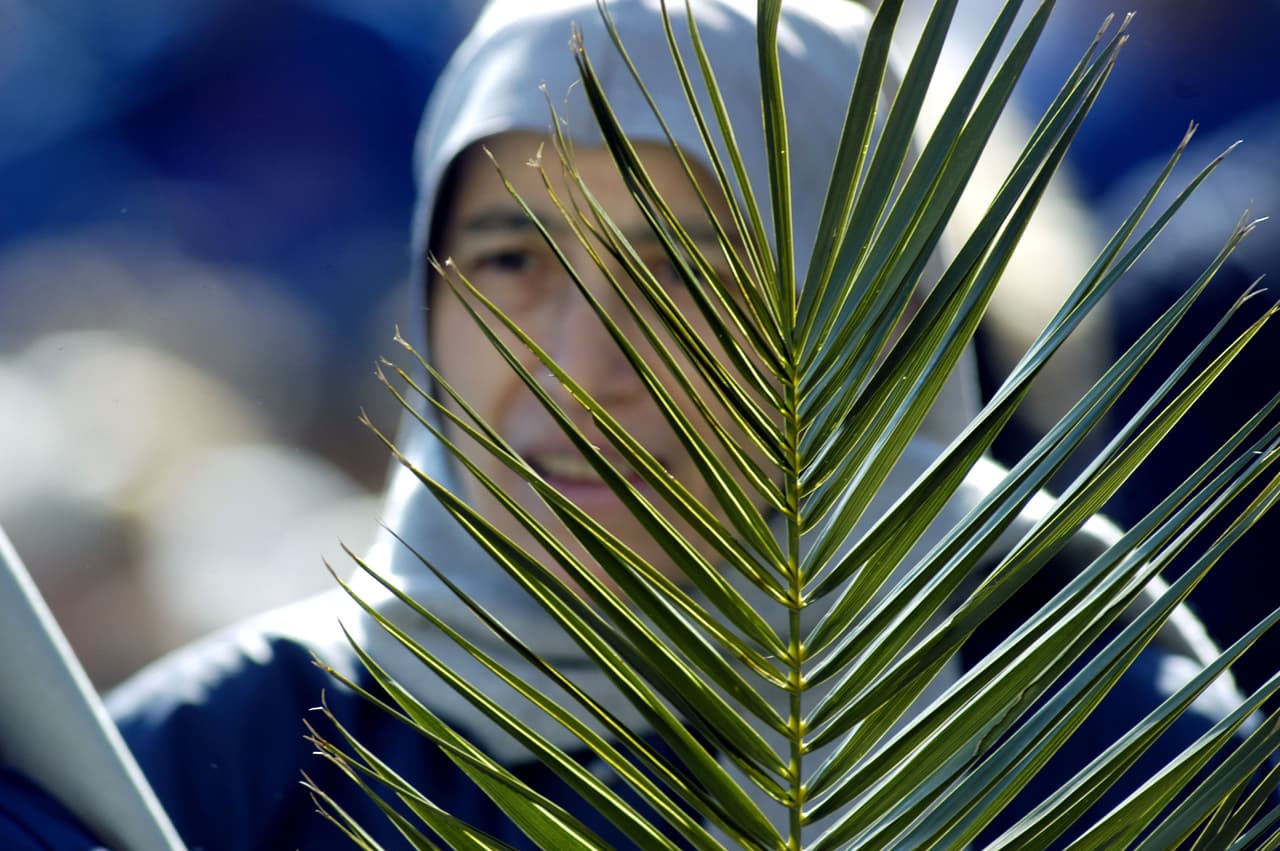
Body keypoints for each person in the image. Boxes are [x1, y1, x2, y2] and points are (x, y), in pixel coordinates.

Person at [107, 0, 1251, 848]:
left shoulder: (1089, 735)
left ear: (876, 320)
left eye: (688, 275)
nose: (578, 366)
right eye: (511, 260)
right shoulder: (227, 759)